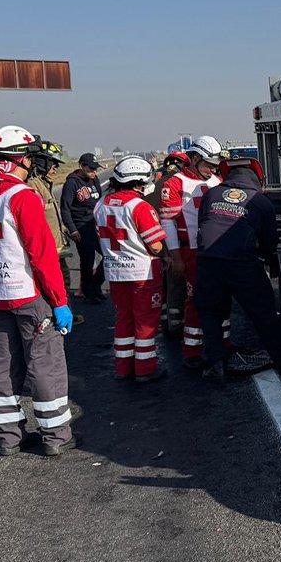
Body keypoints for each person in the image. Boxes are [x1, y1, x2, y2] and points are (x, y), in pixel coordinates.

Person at [0, 125, 75, 456]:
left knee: (3, 365)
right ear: (21, 159)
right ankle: (56, 436)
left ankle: (9, 437)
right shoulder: (22, 197)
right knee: (45, 365)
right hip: (30, 297)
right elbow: (42, 256)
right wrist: (60, 302)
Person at [194, 156, 281, 382]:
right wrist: (265, 259)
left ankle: (214, 365)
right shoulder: (260, 201)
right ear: (257, 178)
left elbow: (203, 224)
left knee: (210, 313)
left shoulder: (211, 195)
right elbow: (269, 241)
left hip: (208, 261)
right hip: (242, 264)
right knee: (263, 311)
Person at [94, 156, 168, 382]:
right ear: (139, 181)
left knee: (123, 318)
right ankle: (146, 369)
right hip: (143, 274)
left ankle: (123, 367)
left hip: (115, 273)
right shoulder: (140, 206)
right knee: (145, 322)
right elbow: (155, 245)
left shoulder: (101, 205)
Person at [158, 136, 224, 367]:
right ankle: (192, 350)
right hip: (192, 253)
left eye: (215, 165)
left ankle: (223, 344)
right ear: (194, 158)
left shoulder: (217, 181)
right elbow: (168, 222)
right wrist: (175, 255)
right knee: (195, 300)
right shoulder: (174, 184)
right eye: (208, 164)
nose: (212, 169)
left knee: (221, 299)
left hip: (216, 251)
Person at [28, 140, 84, 326]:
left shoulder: (43, 184)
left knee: (63, 281)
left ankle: (64, 311)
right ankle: (51, 316)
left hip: (54, 248)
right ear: (40, 162)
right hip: (45, 250)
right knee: (50, 284)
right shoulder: (33, 187)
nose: (55, 168)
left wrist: (64, 229)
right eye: (52, 163)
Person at [146, 150, 189, 335]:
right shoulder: (178, 186)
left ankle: (165, 319)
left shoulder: (153, 186)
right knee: (177, 284)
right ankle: (176, 324)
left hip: (154, 243)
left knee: (162, 283)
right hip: (173, 243)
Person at [60, 153, 105, 304]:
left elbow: (99, 200)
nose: (94, 172)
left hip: (95, 224)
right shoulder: (72, 183)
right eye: (91, 169)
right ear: (82, 166)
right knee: (87, 261)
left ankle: (96, 284)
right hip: (81, 227)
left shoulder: (95, 179)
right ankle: (89, 292)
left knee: (108, 256)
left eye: (95, 169)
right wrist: (72, 229)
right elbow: (65, 209)